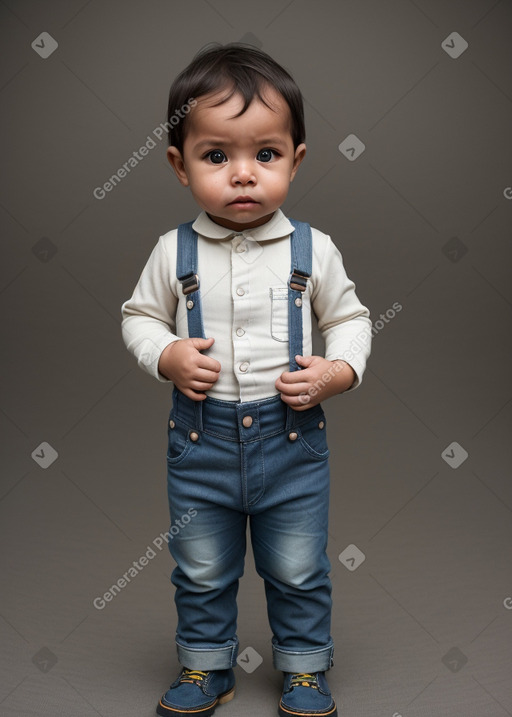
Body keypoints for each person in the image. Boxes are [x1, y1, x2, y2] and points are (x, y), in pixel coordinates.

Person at [121, 43, 372, 717]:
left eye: (265, 154)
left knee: (297, 566)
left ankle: (303, 667)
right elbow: (139, 317)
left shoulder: (311, 249)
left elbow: (350, 318)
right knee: (201, 565)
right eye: (215, 156)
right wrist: (168, 353)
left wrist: (337, 369)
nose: (242, 175)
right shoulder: (172, 252)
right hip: (200, 442)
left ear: (296, 158)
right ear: (179, 164)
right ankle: (206, 666)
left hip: (292, 442)